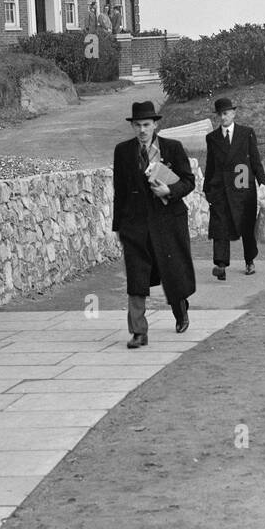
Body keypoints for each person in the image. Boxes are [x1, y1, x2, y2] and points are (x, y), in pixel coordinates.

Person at [112, 101, 197, 348]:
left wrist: (169, 190)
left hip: (168, 221)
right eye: (137, 125)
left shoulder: (172, 148)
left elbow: (189, 181)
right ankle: (139, 331)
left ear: (155, 124)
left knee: (173, 271)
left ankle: (180, 309)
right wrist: (118, 226)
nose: (142, 130)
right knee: (136, 277)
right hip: (134, 224)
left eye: (146, 125)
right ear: (132, 126)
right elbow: (120, 191)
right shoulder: (123, 151)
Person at [204, 96, 265, 279]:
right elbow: (210, 165)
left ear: (233, 113)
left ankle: (249, 261)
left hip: (243, 189)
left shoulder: (246, 133)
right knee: (220, 227)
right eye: (220, 115)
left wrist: (263, 183)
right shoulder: (212, 138)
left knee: (246, 227)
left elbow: (255, 160)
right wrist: (207, 189)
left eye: (225, 113)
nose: (223, 117)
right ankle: (221, 265)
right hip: (220, 190)